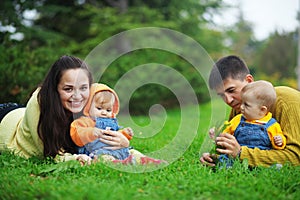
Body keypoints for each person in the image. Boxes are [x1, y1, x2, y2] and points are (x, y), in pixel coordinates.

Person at [0, 55, 130, 165]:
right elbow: (49, 153)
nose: (77, 96)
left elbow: (100, 138)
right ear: (55, 88)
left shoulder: (90, 100)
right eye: (68, 89)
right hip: (6, 121)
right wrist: (74, 158)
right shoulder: (40, 102)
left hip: (21, 112)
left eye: (83, 88)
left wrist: (123, 143)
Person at [200, 55, 300, 167]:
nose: (228, 100)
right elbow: (234, 148)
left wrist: (241, 154)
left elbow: (295, 157)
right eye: (222, 95)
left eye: (231, 90)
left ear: (249, 80)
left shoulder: (287, 102)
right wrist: (216, 158)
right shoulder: (239, 109)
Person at [214, 80, 286, 167]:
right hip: (236, 156)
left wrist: (279, 141)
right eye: (242, 103)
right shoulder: (238, 119)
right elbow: (226, 131)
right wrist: (218, 134)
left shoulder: (272, 125)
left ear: (262, 110)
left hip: (260, 156)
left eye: (246, 105)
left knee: (275, 166)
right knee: (225, 160)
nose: (241, 107)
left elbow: (279, 139)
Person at [70, 83, 133, 161]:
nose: (104, 112)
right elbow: (77, 134)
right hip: (95, 151)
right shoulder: (85, 121)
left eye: (108, 110)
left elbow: (114, 135)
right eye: (99, 108)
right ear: (88, 105)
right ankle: (110, 161)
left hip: (113, 149)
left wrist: (124, 133)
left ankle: (138, 159)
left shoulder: (111, 121)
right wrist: (91, 132)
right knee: (104, 156)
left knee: (129, 152)